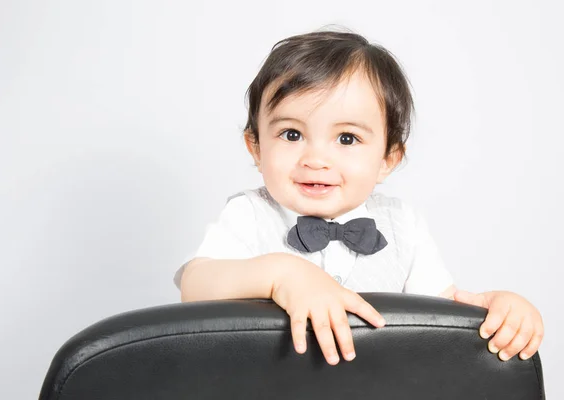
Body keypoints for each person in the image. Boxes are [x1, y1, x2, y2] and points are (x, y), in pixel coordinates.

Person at [174, 28, 544, 366]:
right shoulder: (250, 214)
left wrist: (497, 309)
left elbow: (440, 317)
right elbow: (195, 284)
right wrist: (280, 273)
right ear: (255, 147)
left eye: (347, 138)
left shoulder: (403, 226)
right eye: (291, 134)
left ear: (388, 159)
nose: (315, 160)